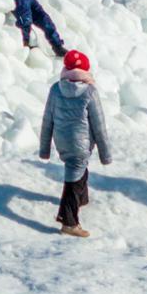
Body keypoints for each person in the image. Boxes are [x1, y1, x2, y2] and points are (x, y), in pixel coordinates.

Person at [38, 50, 112, 238]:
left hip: (61, 140)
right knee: (74, 173)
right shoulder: (89, 91)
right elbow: (99, 125)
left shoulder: (56, 88)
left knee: (77, 167)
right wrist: (105, 154)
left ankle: (81, 198)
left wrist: (45, 149)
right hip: (80, 143)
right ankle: (69, 221)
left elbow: (48, 119)